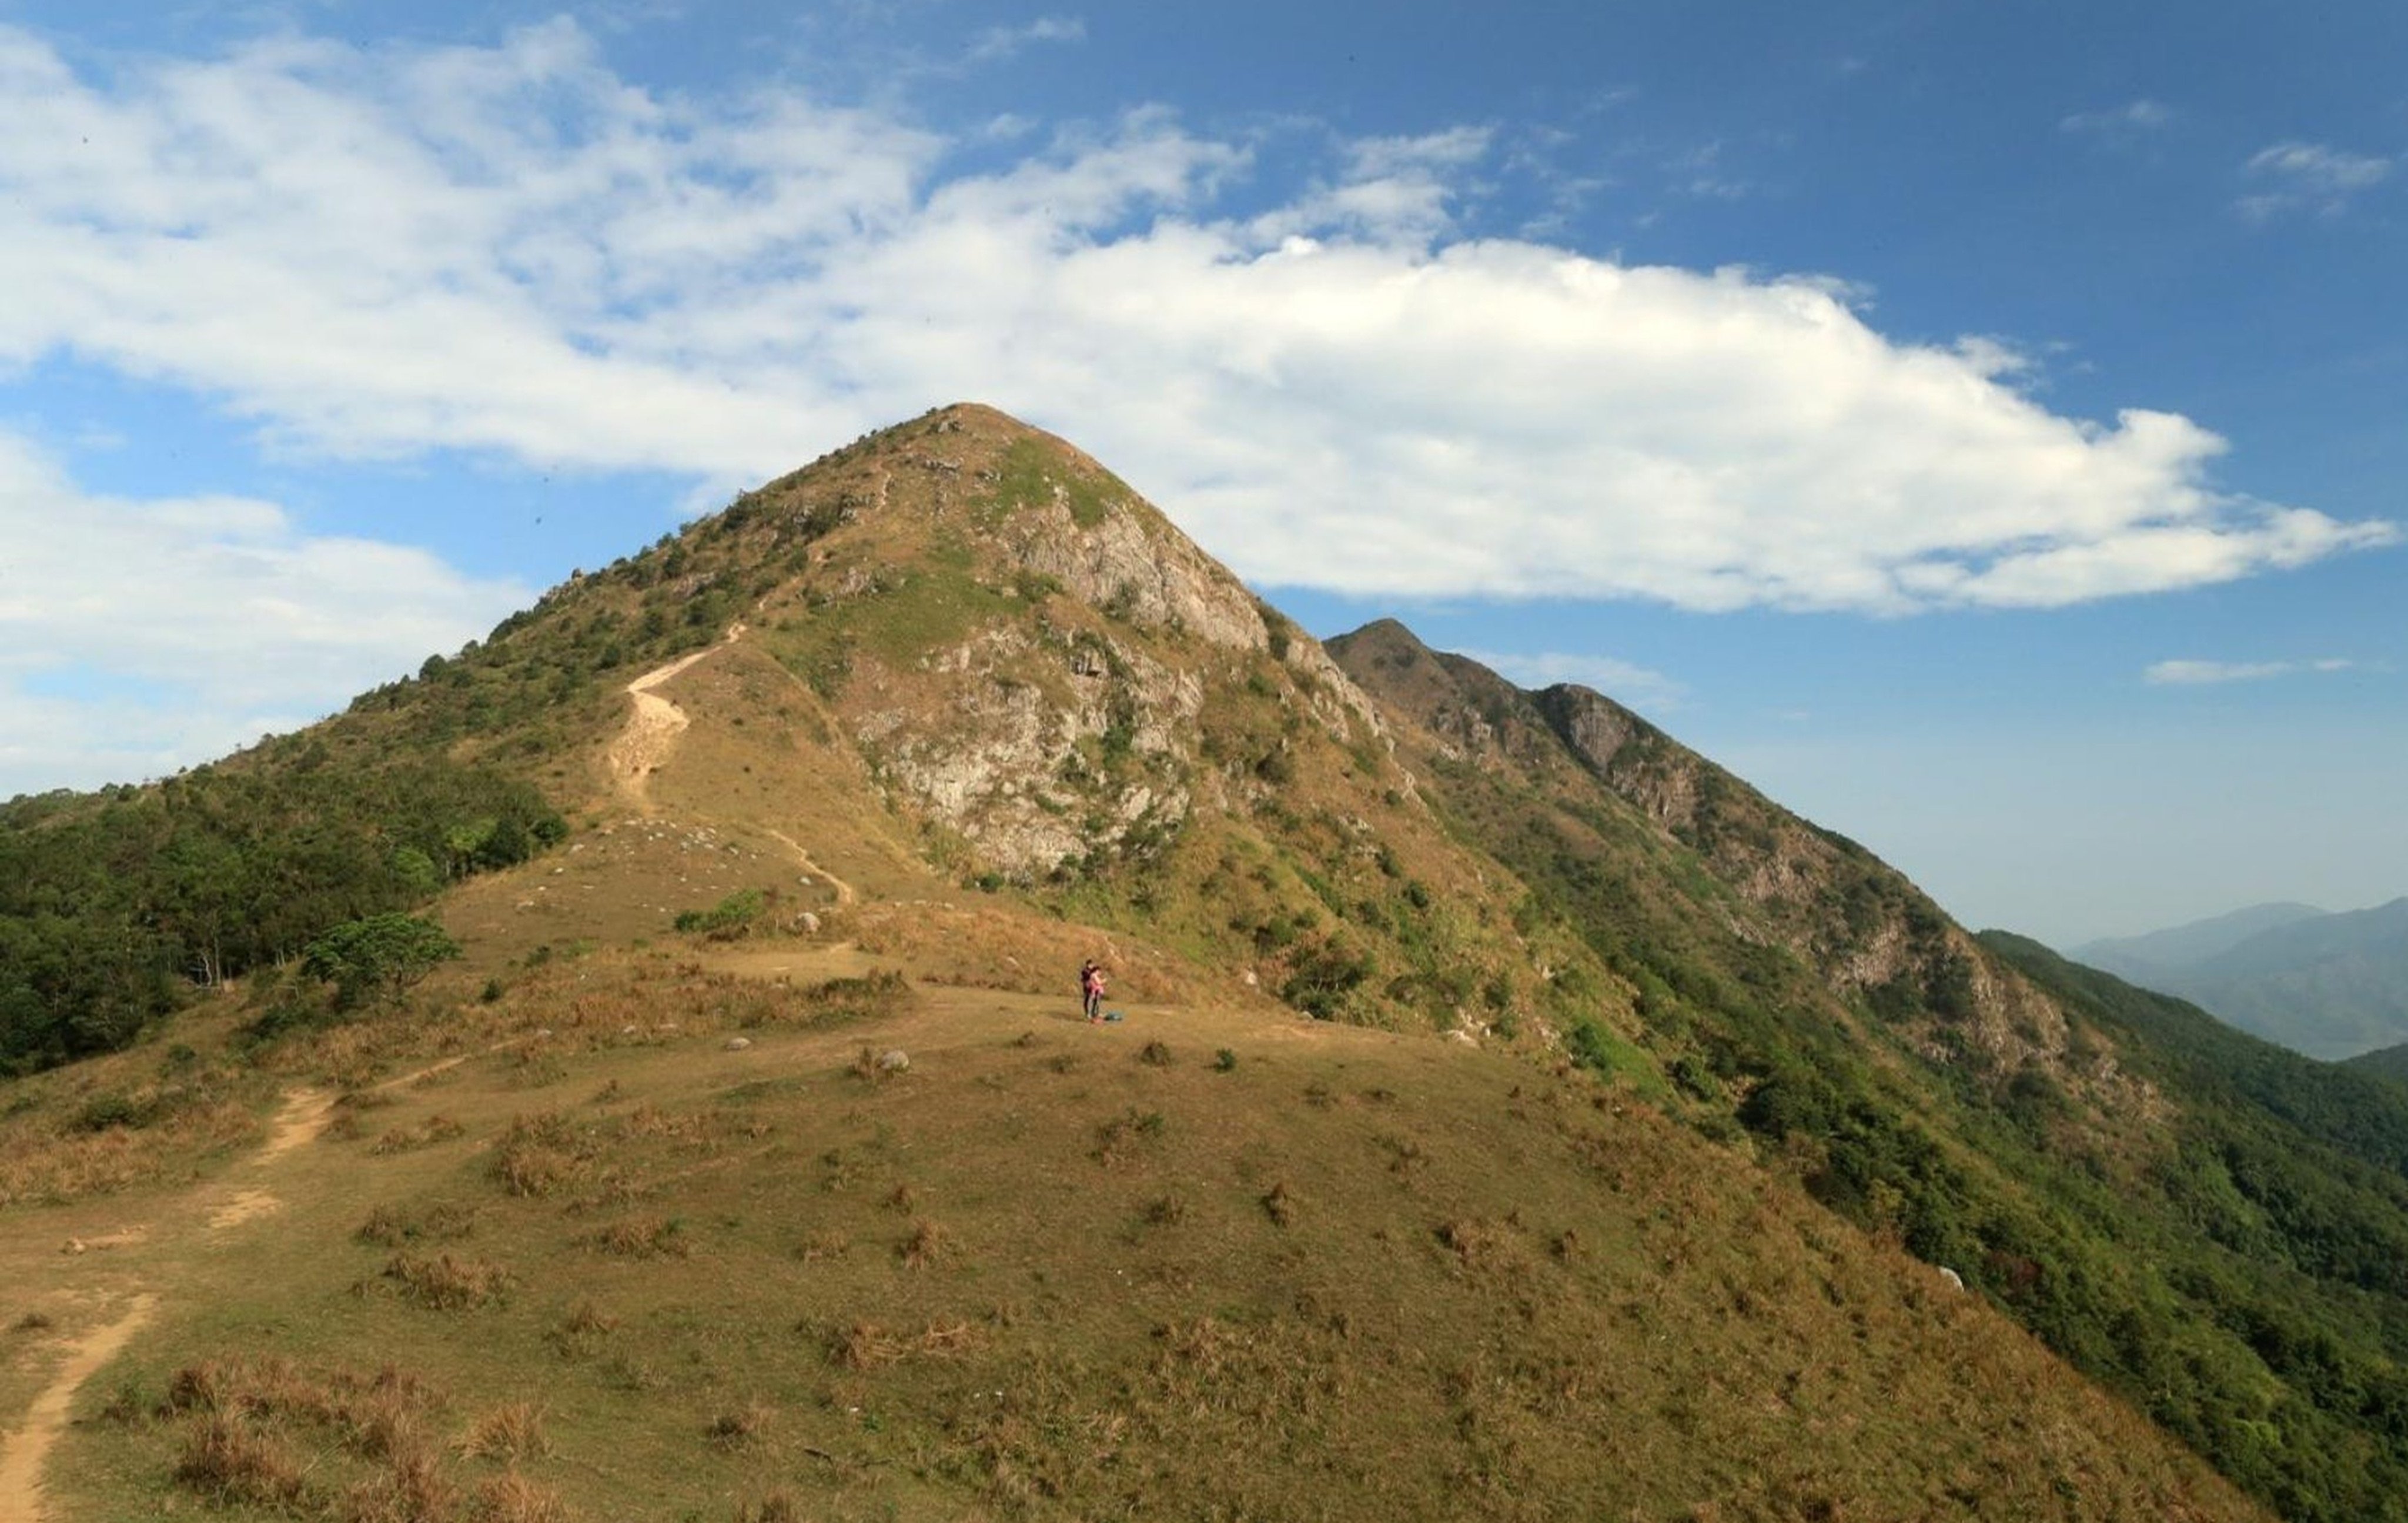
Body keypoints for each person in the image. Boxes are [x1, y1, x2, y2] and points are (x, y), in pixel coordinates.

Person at [1080, 959, 1107, 1023]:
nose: (1092, 966)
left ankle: (1094, 1013)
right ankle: (1088, 1014)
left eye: (1092, 965)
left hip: (1092, 988)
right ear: (1088, 965)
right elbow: (1087, 977)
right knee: (1088, 1000)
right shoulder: (1085, 971)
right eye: (1091, 965)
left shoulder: (1091, 972)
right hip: (1088, 987)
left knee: (1094, 1000)